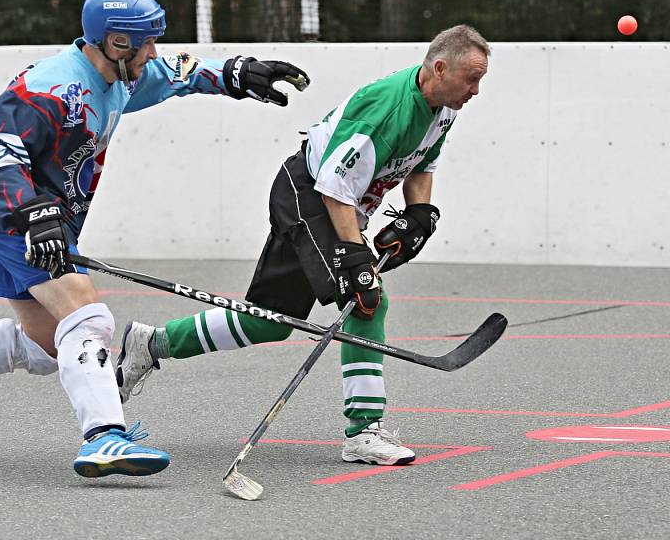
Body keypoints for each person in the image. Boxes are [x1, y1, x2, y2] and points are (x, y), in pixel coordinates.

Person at [0, 0, 309, 478]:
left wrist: (235, 75)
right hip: (17, 218)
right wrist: (33, 213)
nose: (154, 52)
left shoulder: (124, 73)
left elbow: (179, 76)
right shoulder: (50, 88)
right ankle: (104, 437)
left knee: (48, 344)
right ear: (114, 41)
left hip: (40, 219)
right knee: (88, 319)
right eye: (145, 42)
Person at [117, 24, 490, 466]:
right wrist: (354, 257)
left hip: (328, 197)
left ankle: (151, 343)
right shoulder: (388, 107)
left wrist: (419, 214)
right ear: (440, 68)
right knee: (366, 297)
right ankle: (364, 430)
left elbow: (422, 162)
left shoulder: (442, 106)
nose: (476, 90)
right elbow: (333, 185)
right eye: (471, 79)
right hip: (310, 194)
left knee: (269, 321)